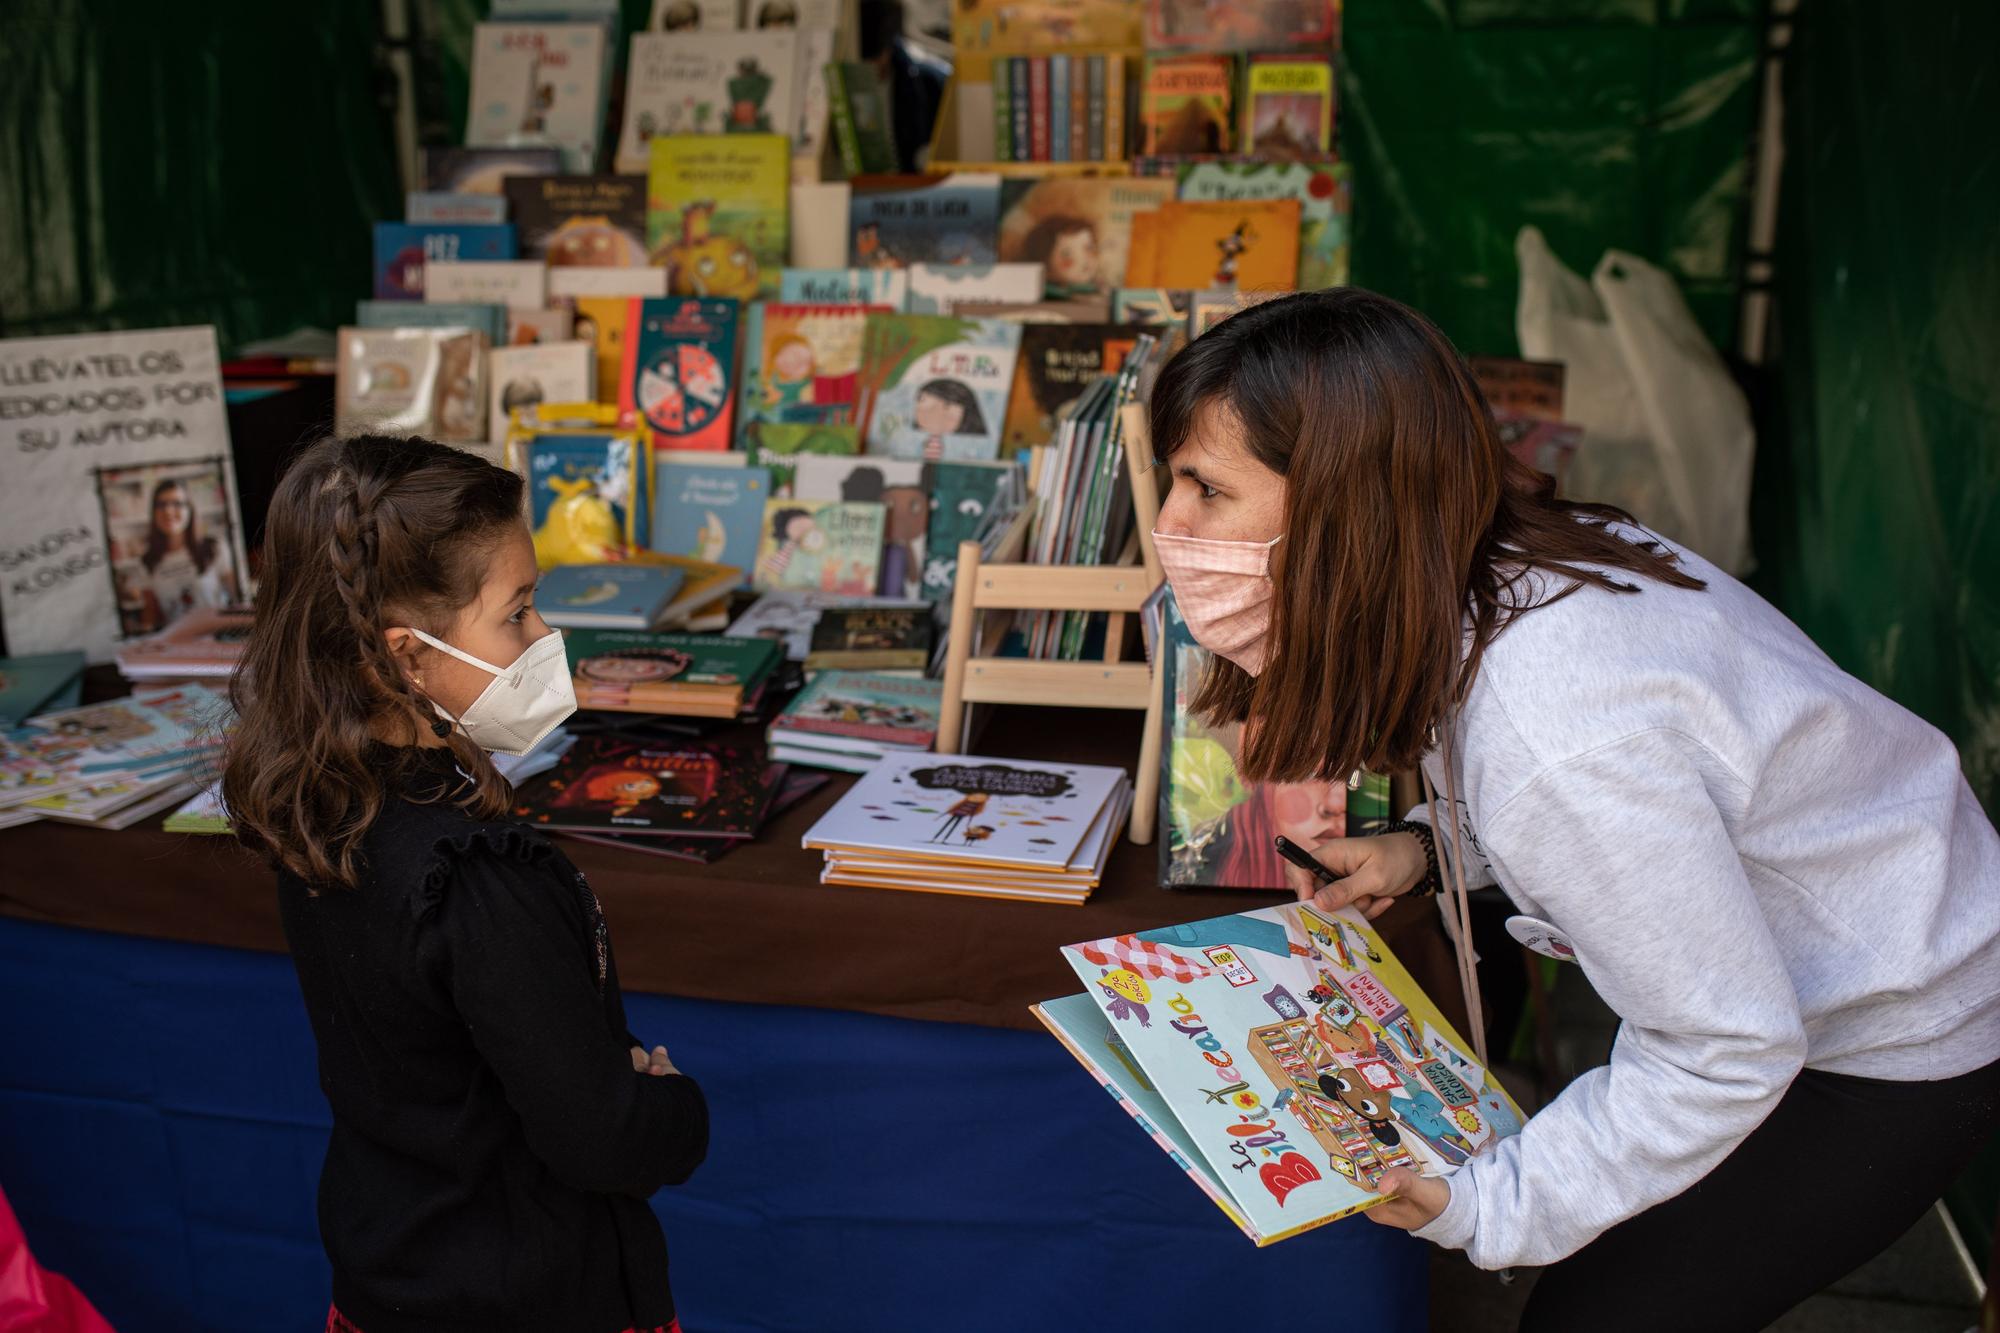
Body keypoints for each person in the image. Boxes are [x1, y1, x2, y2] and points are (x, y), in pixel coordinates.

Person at [1147, 287, 2000, 1332]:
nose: (1168, 526)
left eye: (1204, 488)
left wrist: (1487, 1205)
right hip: (1862, 942)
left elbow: (1721, 1048)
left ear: (1343, 504)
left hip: (1895, 1029)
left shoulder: (1557, 728)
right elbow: (1652, 795)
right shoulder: (1509, 562)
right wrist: (1427, 847)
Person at [222, 435, 707, 1333]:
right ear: (406, 656)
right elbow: (602, 1137)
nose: (545, 638)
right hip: (534, 1299)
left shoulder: (317, 809)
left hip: (390, 1278)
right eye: (518, 612)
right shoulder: (481, 882)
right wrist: (671, 1102)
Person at [133, 476, 235, 630]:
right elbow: (150, 614)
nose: (168, 511)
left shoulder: (215, 548)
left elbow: (236, 595)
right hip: (179, 645)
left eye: (177, 504)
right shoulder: (147, 562)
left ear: (190, 509)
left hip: (219, 636)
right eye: (161, 505)